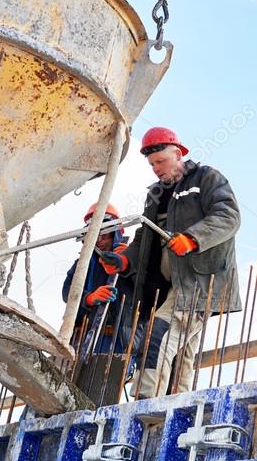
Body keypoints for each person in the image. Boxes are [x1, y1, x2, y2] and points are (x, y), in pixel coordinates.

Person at [100, 127, 241, 398]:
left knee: (158, 337)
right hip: (170, 286)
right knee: (181, 355)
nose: (156, 168)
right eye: (152, 164)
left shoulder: (206, 178)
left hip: (198, 282)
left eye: (161, 161)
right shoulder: (155, 194)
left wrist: (192, 238)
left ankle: (143, 406)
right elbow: (144, 238)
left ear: (178, 154)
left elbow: (228, 216)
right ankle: (178, 405)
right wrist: (123, 261)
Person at [62, 202, 133, 356]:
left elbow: (145, 290)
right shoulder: (83, 262)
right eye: (94, 234)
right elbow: (67, 291)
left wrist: (130, 264)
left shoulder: (131, 256)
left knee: (108, 377)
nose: (99, 239)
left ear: (116, 233)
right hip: (82, 337)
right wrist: (89, 297)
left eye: (104, 234)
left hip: (118, 339)